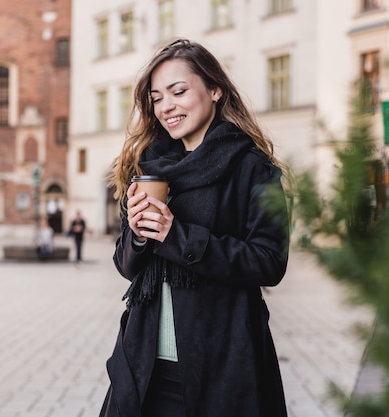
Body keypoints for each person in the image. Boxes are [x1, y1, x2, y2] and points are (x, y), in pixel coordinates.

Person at [101, 39, 290, 417]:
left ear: (215, 89)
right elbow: (127, 267)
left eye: (179, 91)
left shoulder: (252, 169)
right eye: (157, 97)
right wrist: (138, 235)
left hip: (222, 364)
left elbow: (270, 263)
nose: (166, 106)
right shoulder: (147, 166)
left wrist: (177, 236)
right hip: (143, 363)